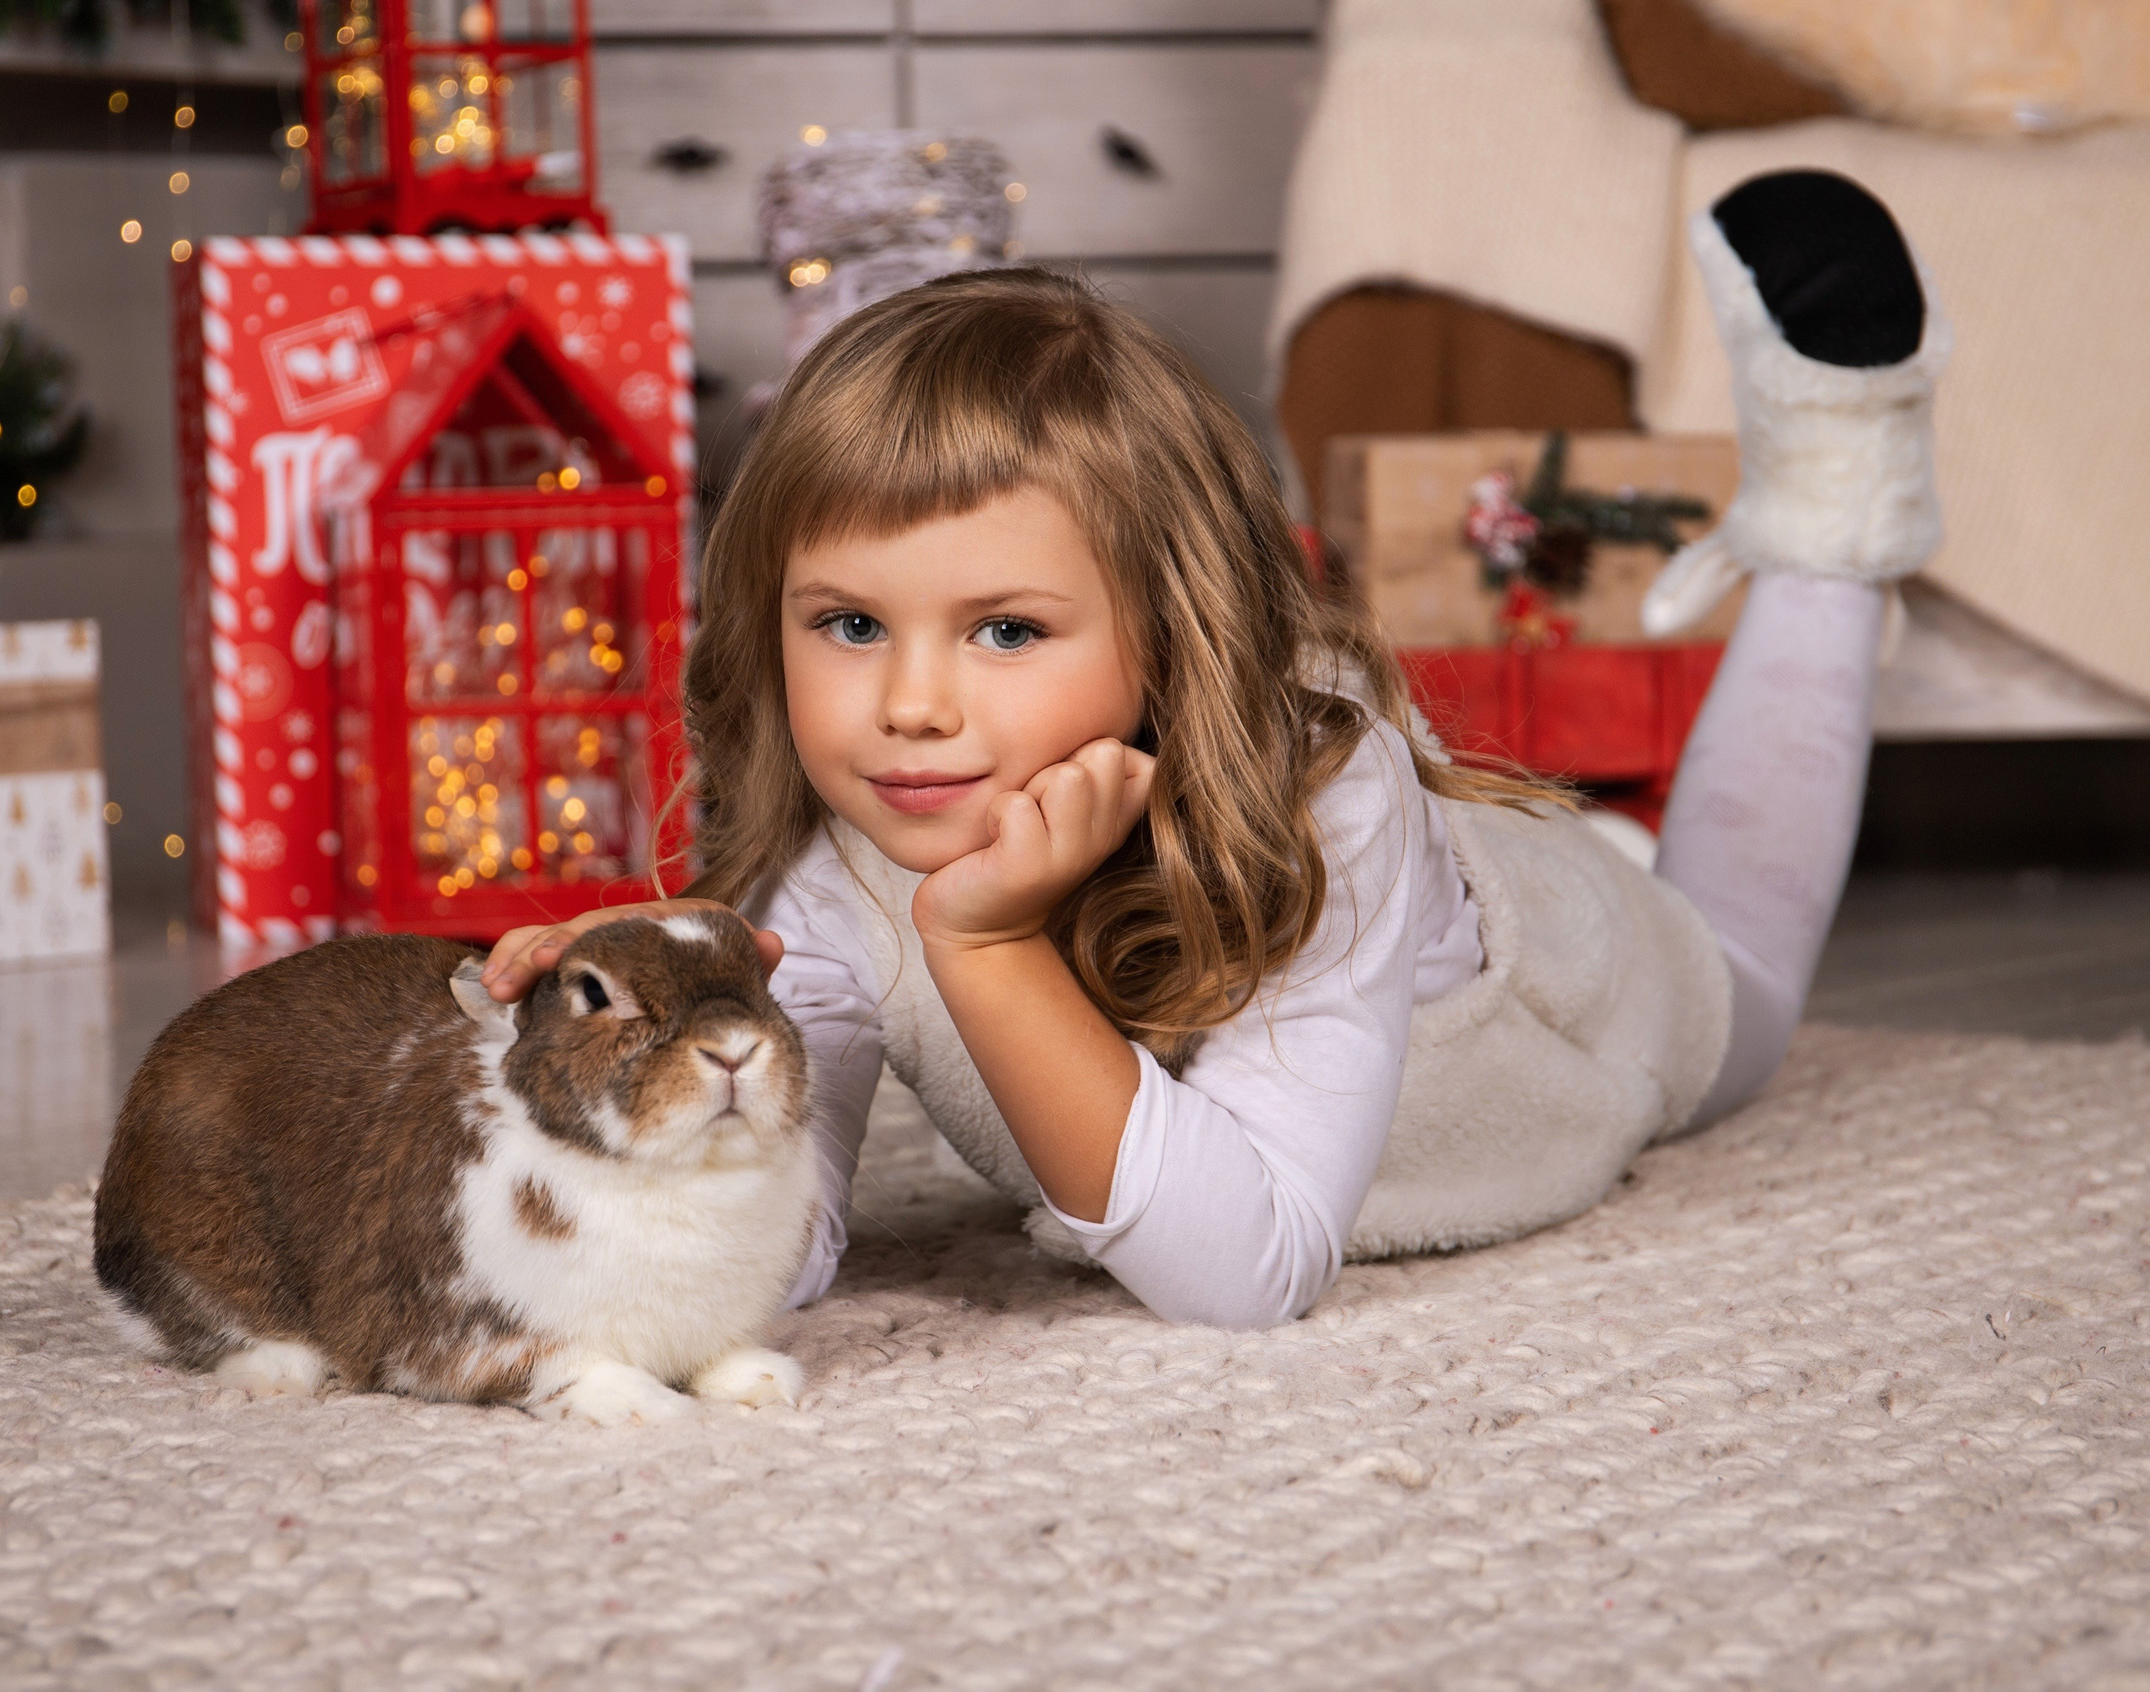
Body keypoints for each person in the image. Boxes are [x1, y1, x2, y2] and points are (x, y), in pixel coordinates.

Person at [480, 170, 1949, 1330]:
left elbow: (1252, 1270)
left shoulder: (1329, 797)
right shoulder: (846, 856)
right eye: (850, 626)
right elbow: (775, 1245)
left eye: (1003, 631)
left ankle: (1836, 477)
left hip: (1555, 982)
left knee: (1741, 992)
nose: (905, 708)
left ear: (1165, 636)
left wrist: (989, 955)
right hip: (1395, 944)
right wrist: (593, 1066)